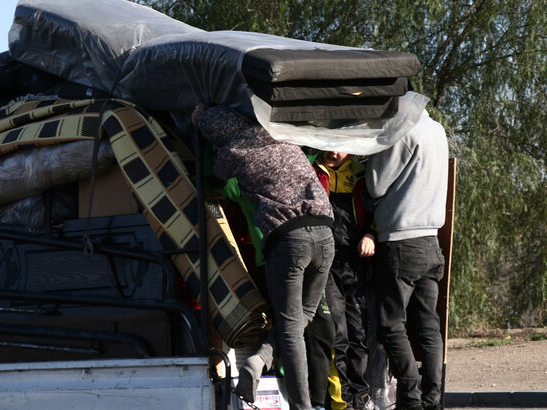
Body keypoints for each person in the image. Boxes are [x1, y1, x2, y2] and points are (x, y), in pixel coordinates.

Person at [192, 104, 335, 410]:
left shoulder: (230, 152)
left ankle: (301, 406)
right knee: (304, 315)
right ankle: (259, 361)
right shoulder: (283, 136)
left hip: (287, 239)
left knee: (288, 324)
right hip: (326, 232)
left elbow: (215, 184)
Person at [365, 110, 448, 410]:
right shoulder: (437, 129)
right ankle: (433, 400)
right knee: (428, 326)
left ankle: (410, 399)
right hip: (431, 241)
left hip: (401, 242)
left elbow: (375, 183)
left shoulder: (402, 130)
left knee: (390, 324)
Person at [313, 151, 375, 410]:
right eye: (328, 145)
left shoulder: (362, 174)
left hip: (357, 262)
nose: (333, 152)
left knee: (359, 334)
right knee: (336, 334)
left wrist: (371, 234)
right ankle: (341, 404)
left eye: (339, 147)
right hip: (325, 263)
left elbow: (378, 210)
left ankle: (360, 399)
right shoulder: (309, 169)